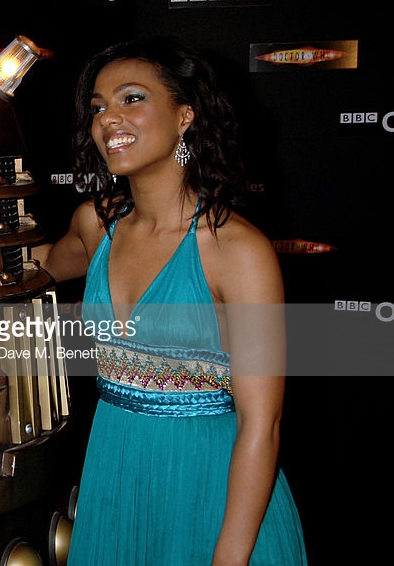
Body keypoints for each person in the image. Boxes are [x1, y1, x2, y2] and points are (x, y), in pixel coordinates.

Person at [32, 36, 307, 565]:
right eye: (98, 107)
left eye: (131, 98)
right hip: (115, 479)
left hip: (213, 494)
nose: (109, 118)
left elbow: (261, 423)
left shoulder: (236, 251)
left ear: (185, 116)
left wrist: (229, 557)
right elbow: (32, 267)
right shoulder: (96, 225)